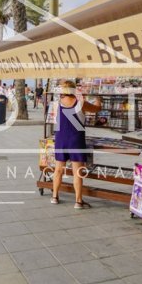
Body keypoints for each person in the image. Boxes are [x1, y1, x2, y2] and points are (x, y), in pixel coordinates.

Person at [50, 80, 90, 208]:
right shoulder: (81, 102)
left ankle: (54, 196)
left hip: (61, 139)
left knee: (58, 170)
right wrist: (98, 100)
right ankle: (78, 201)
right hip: (76, 140)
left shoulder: (56, 104)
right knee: (77, 172)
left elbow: (55, 120)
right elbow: (97, 108)